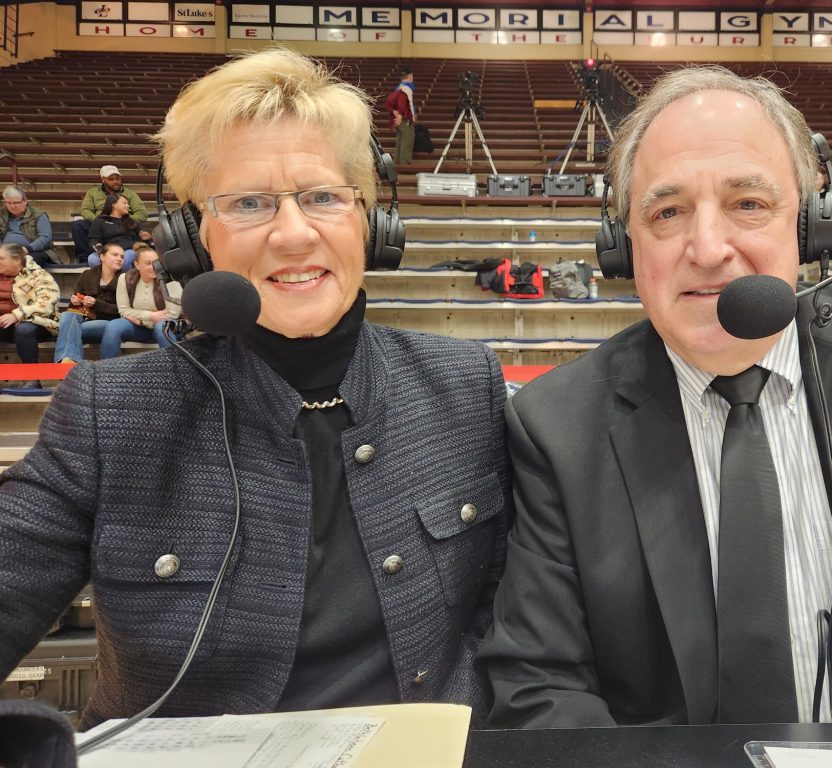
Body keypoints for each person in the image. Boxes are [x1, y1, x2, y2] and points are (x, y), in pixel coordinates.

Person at [480, 65, 832, 728]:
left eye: (748, 204)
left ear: (811, 225)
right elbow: (538, 685)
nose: (708, 250)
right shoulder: (556, 425)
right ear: (622, 246)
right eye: (668, 211)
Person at [0, 47, 509, 730]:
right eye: (247, 203)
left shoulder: (464, 386)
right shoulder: (110, 412)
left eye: (324, 196)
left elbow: (512, 623)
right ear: (193, 237)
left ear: (373, 223)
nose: (294, 233)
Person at [99, 246, 180, 357]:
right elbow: (123, 310)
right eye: (148, 263)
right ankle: (105, 370)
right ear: (137, 265)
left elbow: (172, 314)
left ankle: (176, 370)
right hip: (138, 327)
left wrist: (140, 319)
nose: (154, 267)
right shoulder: (125, 278)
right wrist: (150, 316)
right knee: (113, 326)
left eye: (156, 262)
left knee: (161, 326)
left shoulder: (170, 279)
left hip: (168, 327)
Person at [52, 243, 125, 363]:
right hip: (85, 317)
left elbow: (123, 310)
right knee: (67, 315)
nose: (119, 259)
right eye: (115, 255)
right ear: (102, 257)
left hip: (111, 322)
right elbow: (75, 300)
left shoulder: (126, 278)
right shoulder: (87, 274)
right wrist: (75, 301)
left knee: (70, 328)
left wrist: (97, 304)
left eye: (122, 257)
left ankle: (66, 362)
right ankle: (68, 360)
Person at [0, 244, 59, 389]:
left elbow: (46, 304)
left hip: (37, 323)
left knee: (24, 329)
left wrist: (17, 315)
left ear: (16, 260)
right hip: (3, 324)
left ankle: (31, 378)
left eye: (2, 259)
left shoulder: (39, 275)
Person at [71, 165, 148, 261]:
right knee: (78, 225)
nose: (116, 181)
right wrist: (98, 221)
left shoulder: (130, 194)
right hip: (99, 222)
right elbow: (85, 210)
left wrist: (123, 219)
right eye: (111, 179)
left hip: (124, 224)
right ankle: (85, 258)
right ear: (103, 179)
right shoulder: (93, 193)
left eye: (117, 178)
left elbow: (142, 213)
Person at [86, 193, 149, 270]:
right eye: (124, 203)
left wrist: (145, 239)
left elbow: (142, 243)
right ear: (113, 204)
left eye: (128, 204)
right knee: (92, 259)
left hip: (128, 250)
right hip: (109, 251)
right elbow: (93, 239)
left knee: (126, 258)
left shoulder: (132, 221)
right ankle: (107, 280)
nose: (128, 206)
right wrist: (97, 246)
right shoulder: (100, 221)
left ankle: (124, 280)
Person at [0, 186, 55, 266]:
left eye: (16, 203)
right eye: (8, 203)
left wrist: (26, 249)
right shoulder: (1, 214)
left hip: (33, 251)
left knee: (27, 260)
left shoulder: (38, 215)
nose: (12, 206)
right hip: (5, 251)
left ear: (25, 201)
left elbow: (45, 238)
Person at [385, 68, 415, 165]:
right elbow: (407, 104)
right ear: (410, 77)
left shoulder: (399, 87)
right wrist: (407, 116)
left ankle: (397, 161)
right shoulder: (407, 89)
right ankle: (404, 163)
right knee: (407, 139)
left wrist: (394, 112)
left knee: (400, 139)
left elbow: (390, 103)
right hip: (403, 118)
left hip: (397, 117)